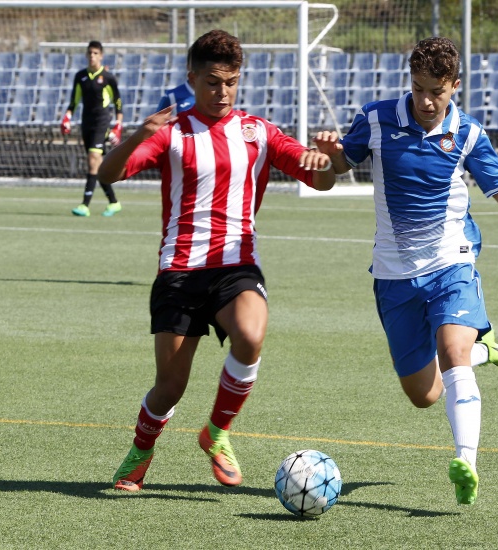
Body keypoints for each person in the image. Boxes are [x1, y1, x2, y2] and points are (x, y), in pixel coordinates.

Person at [314, 36, 498, 506]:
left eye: (438, 91)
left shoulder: (467, 133)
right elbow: (332, 174)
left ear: (455, 86)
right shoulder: (377, 118)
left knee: (451, 351)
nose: (427, 100)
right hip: (393, 274)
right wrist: (328, 156)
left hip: (452, 260)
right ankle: (484, 351)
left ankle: (465, 461)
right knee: (423, 395)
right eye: (419, 88)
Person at [98, 29, 336, 492]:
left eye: (230, 82)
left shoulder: (258, 131)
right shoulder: (171, 134)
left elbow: (319, 178)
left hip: (236, 265)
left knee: (250, 335)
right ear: (192, 78)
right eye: (211, 81)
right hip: (180, 271)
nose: (221, 91)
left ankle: (217, 432)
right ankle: (142, 449)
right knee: (169, 388)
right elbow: (109, 174)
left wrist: (324, 162)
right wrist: (135, 136)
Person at [61, 40, 124, 217]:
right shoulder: (80, 76)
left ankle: (85, 205)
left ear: (101, 56)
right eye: (89, 53)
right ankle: (113, 202)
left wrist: (117, 125)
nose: (92, 56)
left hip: (101, 123)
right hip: (86, 123)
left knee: (92, 159)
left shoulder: (108, 78)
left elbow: (118, 103)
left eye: (95, 53)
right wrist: (67, 117)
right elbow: (74, 101)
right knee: (98, 165)